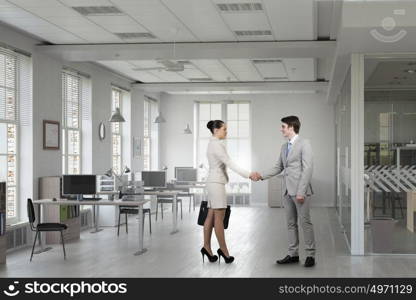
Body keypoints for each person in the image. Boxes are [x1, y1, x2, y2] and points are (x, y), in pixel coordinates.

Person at [251, 116, 316, 267]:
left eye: (283, 127)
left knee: (305, 222)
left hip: (300, 191)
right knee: (290, 223)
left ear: (291, 127)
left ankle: (310, 255)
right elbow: (278, 167)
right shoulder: (283, 147)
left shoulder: (304, 144)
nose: (281, 129)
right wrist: (261, 175)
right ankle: (293, 254)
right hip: (287, 190)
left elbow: (308, 169)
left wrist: (301, 191)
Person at [202, 120, 257, 264]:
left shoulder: (212, 143)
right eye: (224, 129)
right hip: (216, 183)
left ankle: (207, 248)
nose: (226, 132)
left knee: (211, 216)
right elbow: (230, 163)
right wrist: (249, 174)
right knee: (219, 218)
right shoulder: (217, 145)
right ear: (216, 130)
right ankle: (224, 251)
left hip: (213, 182)